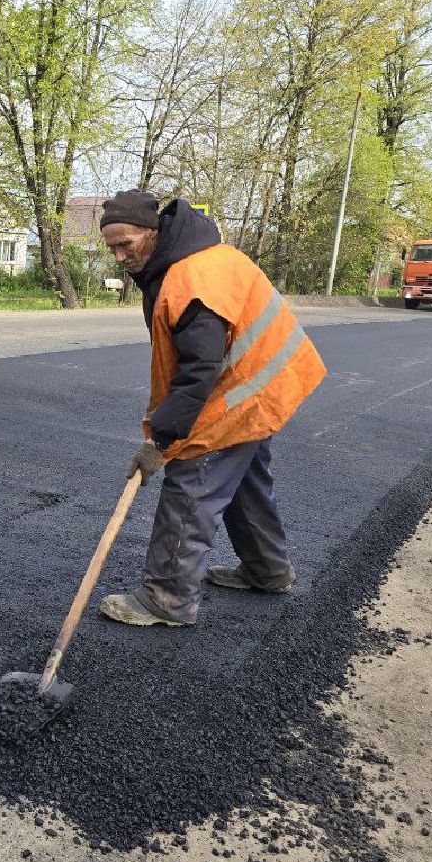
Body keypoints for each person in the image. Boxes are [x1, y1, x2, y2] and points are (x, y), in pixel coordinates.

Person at [95, 190, 327, 627]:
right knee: (245, 482)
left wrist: (162, 440)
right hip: (264, 382)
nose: (120, 256)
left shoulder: (192, 279)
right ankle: (268, 571)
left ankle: (166, 599)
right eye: (112, 247)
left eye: (126, 244)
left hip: (243, 388)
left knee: (192, 481)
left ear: (153, 232)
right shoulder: (185, 256)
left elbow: (198, 370)